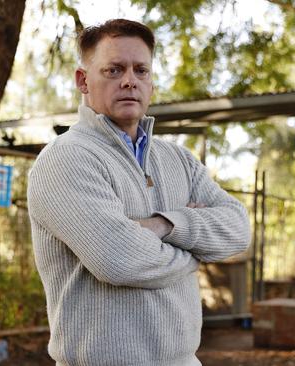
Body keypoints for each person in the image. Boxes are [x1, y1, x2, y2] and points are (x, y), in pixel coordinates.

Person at [27, 18, 250, 366]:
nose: (130, 80)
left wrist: (166, 226)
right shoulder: (65, 160)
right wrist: (196, 254)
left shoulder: (178, 159)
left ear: (151, 81)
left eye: (140, 70)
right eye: (114, 70)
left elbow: (238, 228)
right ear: (83, 81)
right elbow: (120, 261)